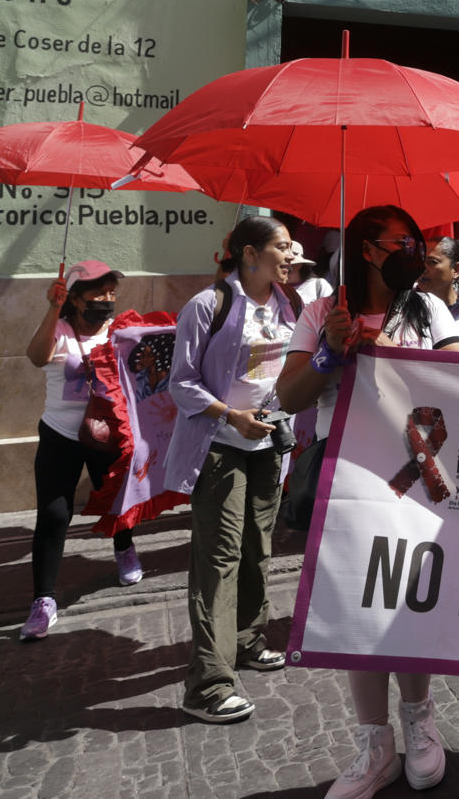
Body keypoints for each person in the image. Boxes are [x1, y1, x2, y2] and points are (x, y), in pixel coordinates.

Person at [277, 206, 459, 795]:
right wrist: (332, 353)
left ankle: (420, 721)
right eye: (399, 241)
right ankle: (374, 742)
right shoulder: (320, 310)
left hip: (415, 469)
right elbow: (289, 394)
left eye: (417, 239)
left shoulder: (427, 307)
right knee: (359, 605)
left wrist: (390, 351)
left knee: (410, 596)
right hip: (349, 475)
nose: (412, 249)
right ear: (366, 249)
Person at [165, 216, 300, 725]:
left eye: (291, 250)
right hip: (218, 446)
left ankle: (247, 640)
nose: (289, 257)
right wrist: (231, 416)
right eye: (281, 248)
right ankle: (208, 685)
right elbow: (181, 384)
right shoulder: (209, 305)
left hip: (268, 444)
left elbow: (295, 368)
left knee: (256, 548)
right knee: (218, 558)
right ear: (249, 254)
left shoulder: (290, 305)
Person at [18, 259, 141, 641]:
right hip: (60, 434)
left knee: (115, 499)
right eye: (97, 293)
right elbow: (36, 357)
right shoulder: (59, 328)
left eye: (111, 292)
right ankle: (43, 601)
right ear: (75, 298)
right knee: (54, 515)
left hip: (106, 433)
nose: (107, 299)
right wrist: (52, 308)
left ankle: (125, 549)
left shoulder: (119, 330)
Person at [289, 238, 335, 307]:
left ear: (298, 265)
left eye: (288, 264)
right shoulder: (272, 288)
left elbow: (329, 310)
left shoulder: (318, 285)